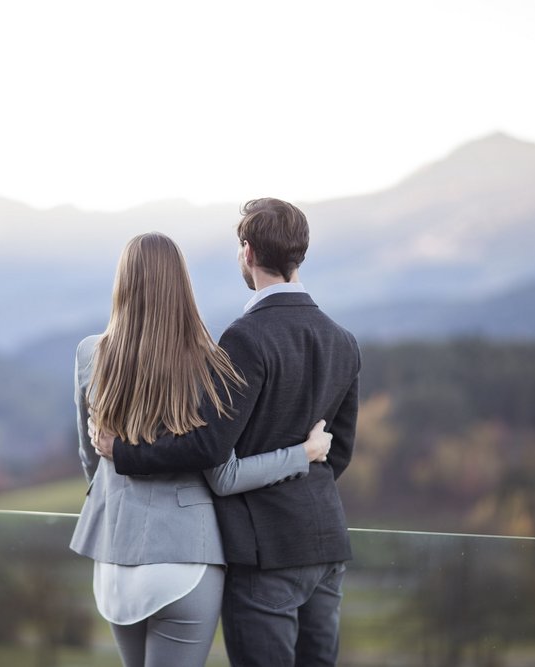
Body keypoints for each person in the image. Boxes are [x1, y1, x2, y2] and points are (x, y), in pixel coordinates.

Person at [94, 199, 361, 667]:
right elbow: (337, 455)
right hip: (326, 541)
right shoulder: (343, 339)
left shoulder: (245, 338)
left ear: (248, 252)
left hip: (264, 551)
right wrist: (303, 462)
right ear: (299, 255)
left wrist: (123, 451)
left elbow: (209, 446)